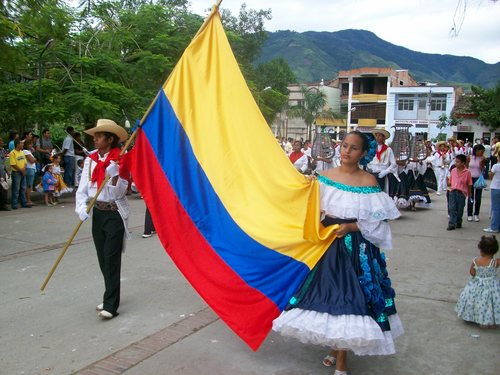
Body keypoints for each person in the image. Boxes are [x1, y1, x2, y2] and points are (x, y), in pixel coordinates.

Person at [273, 131, 403, 375]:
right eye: (344, 145)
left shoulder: (368, 182)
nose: (346, 151)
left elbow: (378, 221)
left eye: (354, 148)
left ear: (364, 153)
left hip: (357, 249)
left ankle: (341, 359)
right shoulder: (324, 177)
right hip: (328, 245)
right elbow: (311, 210)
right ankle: (337, 348)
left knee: (352, 298)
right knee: (332, 297)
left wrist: (351, 226)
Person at [75, 119, 130, 320]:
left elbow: (121, 192)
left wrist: (115, 176)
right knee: (102, 259)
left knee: (111, 258)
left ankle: (111, 305)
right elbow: (82, 188)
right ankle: (110, 294)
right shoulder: (90, 161)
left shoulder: (120, 159)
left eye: (99, 136)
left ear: (110, 139)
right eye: (95, 136)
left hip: (114, 213)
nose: (95, 139)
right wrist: (80, 207)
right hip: (97, 213)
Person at [455, 235, 499, 328]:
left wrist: (479, 276)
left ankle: (472, 315)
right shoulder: (496, 262)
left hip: (476, 284)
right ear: (495, 250)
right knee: (489, 302)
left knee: (475, 300)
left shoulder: (475, 261)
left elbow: (472, 272)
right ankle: (487, 320)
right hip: (492, 286)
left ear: (481, 250)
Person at [367, 127, 398, 194]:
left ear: (384, 138)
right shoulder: (371, 148)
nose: (377, 137)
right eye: (376, 135)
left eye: (379, 136)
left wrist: (386, 172)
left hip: (381, 174)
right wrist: (368, 167)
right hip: (371, 174)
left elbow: (394, 164)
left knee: (379, 193)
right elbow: (366, 159)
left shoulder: (388, 149)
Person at [447, 154, 472, 231]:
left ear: (463, 163)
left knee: (460, 209)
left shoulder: (467, 172)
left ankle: (458, 221)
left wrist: (469, 193)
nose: (456, 163)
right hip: (453, 191)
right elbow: (450, 181)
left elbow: (469, 184)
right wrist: (448, 183)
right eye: (456, 162)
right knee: (452, 207)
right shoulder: (453, 170)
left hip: (461, 193)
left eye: (458, 162)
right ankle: (451, 223)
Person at [466, 144, 486, 222]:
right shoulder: (469, 157)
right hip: (470, 178)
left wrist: (482, 164)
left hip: (478, 178)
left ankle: (476, 214)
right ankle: (469, 214)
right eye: (481, 151)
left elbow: (483, 169)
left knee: (478, 197)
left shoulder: (482, 158)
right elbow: (466, 167)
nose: (482, 153)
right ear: (476, 150)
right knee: (470, 196)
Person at [9, 139, 30, 209]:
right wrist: (21, 170)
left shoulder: (22, 152)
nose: (22, 145)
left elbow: (25, 162)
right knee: (16, 189)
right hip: (16, 172)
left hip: (22, 172)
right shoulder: (12, 153)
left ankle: (23, 202)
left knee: (23, 188)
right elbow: (13, 164)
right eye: (21, 144)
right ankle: (14, 204)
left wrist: (24, 169)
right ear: (17, 144)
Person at [484, 161, 500, 233]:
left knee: (496, 208)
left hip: (496, 187)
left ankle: (494, 227)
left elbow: (490, 176)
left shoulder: (496, 166)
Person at [23, 139, 38, 206]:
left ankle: (28, 200)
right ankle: (28, 200)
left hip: (31, 168)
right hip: (29, 168)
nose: (32, 145)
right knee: (29, 185)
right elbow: (32, 160)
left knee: (29, 185)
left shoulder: (29, 151)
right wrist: (35, 159)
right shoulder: (26, 151)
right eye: (30, 144)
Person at [0, 138, 10, 210]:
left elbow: (4, 162)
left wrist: (7, 171)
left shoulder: (3, 151)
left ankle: (4, 204)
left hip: (2, 173)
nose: (2, 142)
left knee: (4, 189)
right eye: (1, 141)